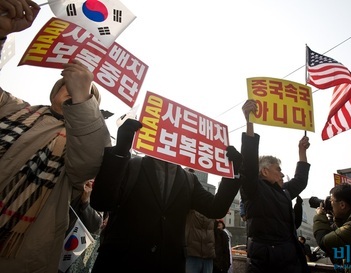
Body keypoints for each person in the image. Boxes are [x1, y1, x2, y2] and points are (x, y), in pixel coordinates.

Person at [0, 2, 111, 272]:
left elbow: (89, 162)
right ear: (54, 91)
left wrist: (83, 98)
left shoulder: (85, 141)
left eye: (85, 95)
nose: (73, 92)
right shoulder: (12, 107)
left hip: (20, 254)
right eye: (67, 86)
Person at [90, 119, 244, 273]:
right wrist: (120, 150)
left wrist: (233, 174)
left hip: (169, 264)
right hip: (121, 263)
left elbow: (216, 209)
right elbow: (101, 201)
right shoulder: (132, 166)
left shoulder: (189, 180)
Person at [239, 99, 311, 273]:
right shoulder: (253, 188)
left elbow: (300, 180)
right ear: (264, 171)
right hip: (267, 261)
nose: (281, 173)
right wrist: (249, 122)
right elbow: (249, 163)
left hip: (290, 259)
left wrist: (302, 151)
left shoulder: (284, 192)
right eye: (277, 169)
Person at [63, 179, 104, 273]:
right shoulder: (67, 183)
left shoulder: (96, 195)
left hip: (73, 250)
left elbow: (96, 225)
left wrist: (85, 202)